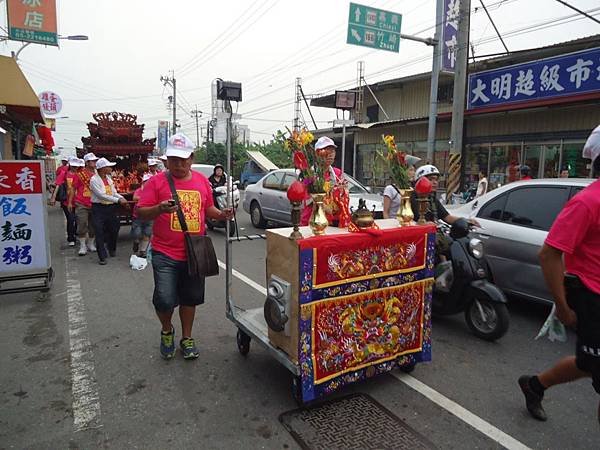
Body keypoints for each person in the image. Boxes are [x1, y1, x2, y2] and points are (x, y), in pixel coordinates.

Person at [518, 125, 600, 423]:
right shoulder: (587, 202)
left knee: (589, 362)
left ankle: (535, 384)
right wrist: (563, 306)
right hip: (592, 295)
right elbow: (549, 253)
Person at [137, 133, 233, 360]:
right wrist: (159, 209)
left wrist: (222, 214)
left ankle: (187, 338)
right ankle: (167, 330)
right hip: (164, 252)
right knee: (164, 298)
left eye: (183, 159)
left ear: (191, 158)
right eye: (173, 159)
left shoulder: (201, 181)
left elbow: (207, 208)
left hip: (194, 253)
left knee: (190, 298)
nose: (178, 164)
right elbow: (140, 212)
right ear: (165, 160)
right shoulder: (155, 183)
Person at [410, 165, 480, 226]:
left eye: (436, 179)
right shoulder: (411, 197)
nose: (435, 182)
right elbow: (405, 222)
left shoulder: (432, 198)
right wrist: (421, 224)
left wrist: (466, 221)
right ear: (419, 181)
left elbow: (447, 217)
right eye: (431, 179)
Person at [300, 136, 347, 226]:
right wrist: (324, 206)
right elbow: (308, 198)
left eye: (332, 151)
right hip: (311, 222)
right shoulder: (309, 174)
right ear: (317, 154)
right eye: (326, 150)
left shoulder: (338, 173)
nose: (330, 154)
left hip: (332, 223)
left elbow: (342, 195)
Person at [90, 158, 128, 265]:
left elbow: (113, 192)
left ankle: (112, 248)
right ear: (102, 169)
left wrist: (121, 198)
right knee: (99, 231)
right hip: (98, 208)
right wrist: (118, 200)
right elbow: (101, 195)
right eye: (109, 167)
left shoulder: (109, 179)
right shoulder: (94, 180)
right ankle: (102, 256)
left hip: (110, 208)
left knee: (115, 228)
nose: (111, 168)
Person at [68, 152, 98, 256]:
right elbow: (73, 188)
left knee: (93, 225)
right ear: (87, 162)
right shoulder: (80, 175)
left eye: (95, 160)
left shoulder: (97, 173)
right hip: (81, 203)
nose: (95, 162)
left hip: (95, 203)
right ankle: (82, 245)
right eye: (93, 161)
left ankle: (90, 243)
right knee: (81, 224)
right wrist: (70, 202)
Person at [50, 156, 82, 246]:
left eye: (77, 166)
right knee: (70, 219)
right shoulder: (64, 173)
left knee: (78, 219)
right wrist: (53, 197)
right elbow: (58, 185)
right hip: (66, 201)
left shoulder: (80, 174)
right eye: (73, 166)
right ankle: (71, 238)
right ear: (70, 165)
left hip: (78, 201)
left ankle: (75, 233)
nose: (75, 168)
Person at [131, 173, 154, 257]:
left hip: (149, 215)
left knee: (147, 233)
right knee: (137, 233)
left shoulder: (153, 191)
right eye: (146, 181)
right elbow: (134, 198)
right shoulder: (139, 190)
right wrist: (145, 198)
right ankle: (136, 242)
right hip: (138, 216)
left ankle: (143, 251)